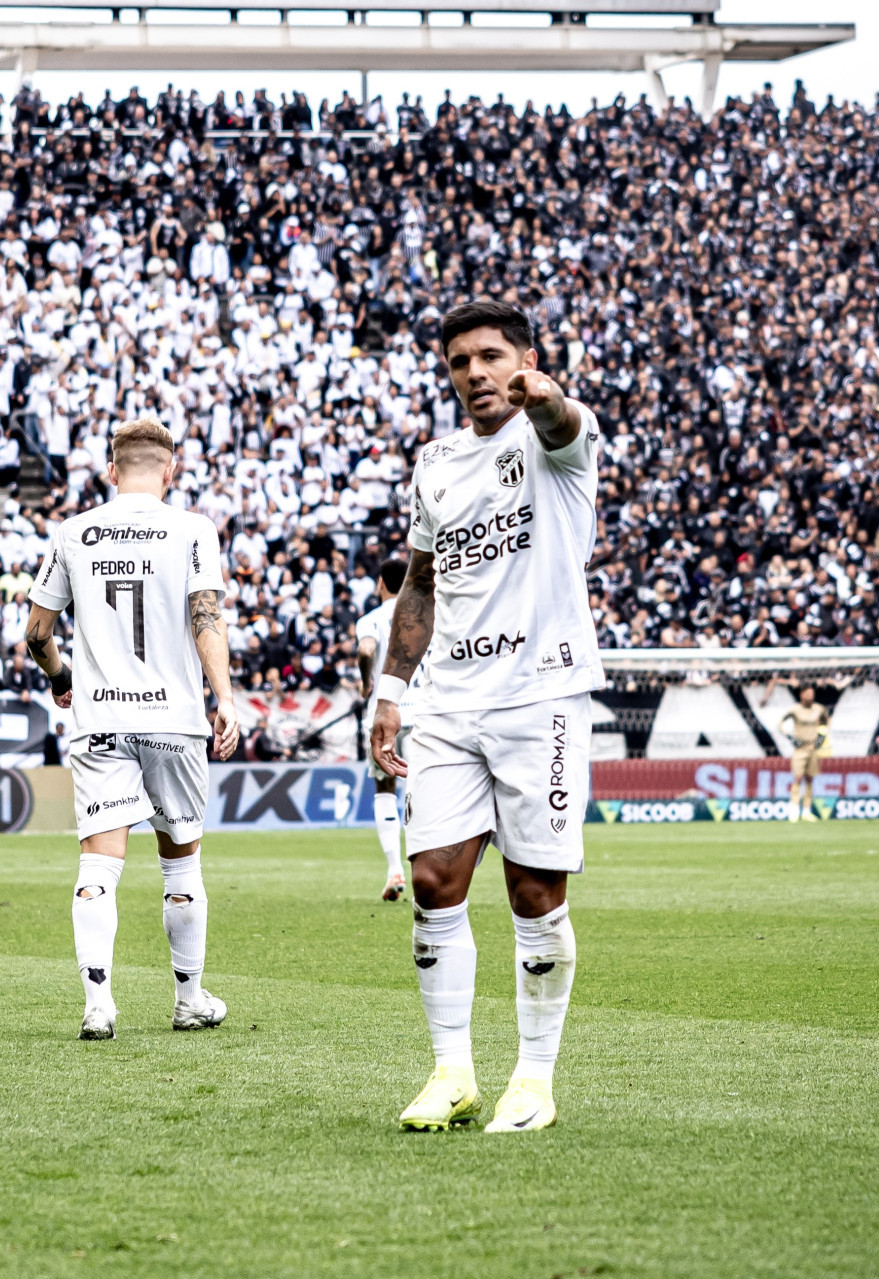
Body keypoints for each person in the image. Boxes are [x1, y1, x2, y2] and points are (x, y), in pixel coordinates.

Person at [370, 299, 602, 1135]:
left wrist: (546, 396)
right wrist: (390, 690)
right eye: (460, 361)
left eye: (491, 355)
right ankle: (453, 1072)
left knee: (533, 891)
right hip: (447, 700)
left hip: (541, 694)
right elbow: (420, 582)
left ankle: (533, 1079)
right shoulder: (434, 463)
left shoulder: (559, 440)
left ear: (525, 359)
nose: (475, 372)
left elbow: (563, 419)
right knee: (434, 880)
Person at [23, 417, 241, 1041]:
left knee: (99, 863)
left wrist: (61, 677)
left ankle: (98, 1006)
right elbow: (206, 617)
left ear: (111, 471)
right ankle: (189, 999)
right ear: (171, 470)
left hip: (101, 721)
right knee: (181, 864)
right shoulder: (193, 529)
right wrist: (224, 697)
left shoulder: (74, 532)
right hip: (174, 721)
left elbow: (36, 632)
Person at [353, 556, 431, 902]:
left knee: (385, 789)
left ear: (381, 583)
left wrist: (366, 682)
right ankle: (426, 872)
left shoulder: (371, 619)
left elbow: (365, 649)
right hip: (423, 713)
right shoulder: (426, 617)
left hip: (384, 714)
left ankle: (394, 869)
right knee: (422, 791)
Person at [779, 686, 829, 823]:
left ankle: (806, 812)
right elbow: (780, 724)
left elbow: (825, 722)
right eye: (808, 694)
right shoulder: (795, 710)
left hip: (813, 749)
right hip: (800, 750)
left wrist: (822, 735)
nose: (810, 696)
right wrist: (790, 736)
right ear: (802, 695)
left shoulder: (819, 709)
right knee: (798, 778)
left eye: (812, 694)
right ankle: (794, 810)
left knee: (810, 779)